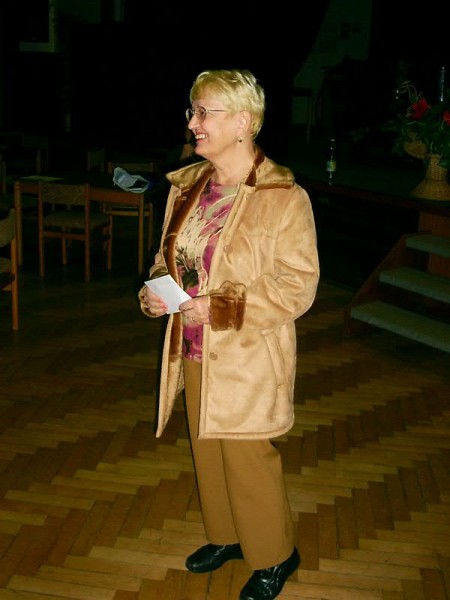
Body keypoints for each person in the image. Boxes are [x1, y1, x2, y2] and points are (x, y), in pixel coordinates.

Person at [138, 69, 319, 600]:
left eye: (204, 112)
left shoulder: (284, 196)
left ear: (243, 122)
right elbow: (167, 259)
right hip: (193, 347)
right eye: (191, 111)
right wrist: (154, 290)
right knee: (207, 447)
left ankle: (275, 555)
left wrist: (219, 308)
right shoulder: (188, 186)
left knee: (247, 459)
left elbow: (297, 285)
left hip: (248, 354)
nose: (193, 122)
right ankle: (227, 536)